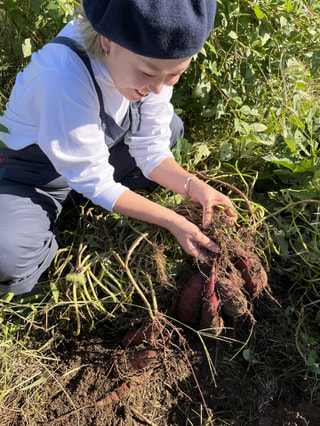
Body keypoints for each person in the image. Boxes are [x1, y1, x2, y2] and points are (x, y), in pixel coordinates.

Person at [0, 0, 237, 296]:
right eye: (149, 74)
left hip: (102, 153)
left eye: (174, 75)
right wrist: (171, 219)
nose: (159, 88)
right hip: (36, 178)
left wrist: (192, 186)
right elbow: (96, 181)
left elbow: (151, 149)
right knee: (5, 255)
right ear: (107, 40)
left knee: (171, 130)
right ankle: (44, 231)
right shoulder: (61, 77)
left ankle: (99, 199)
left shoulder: (154, 59)